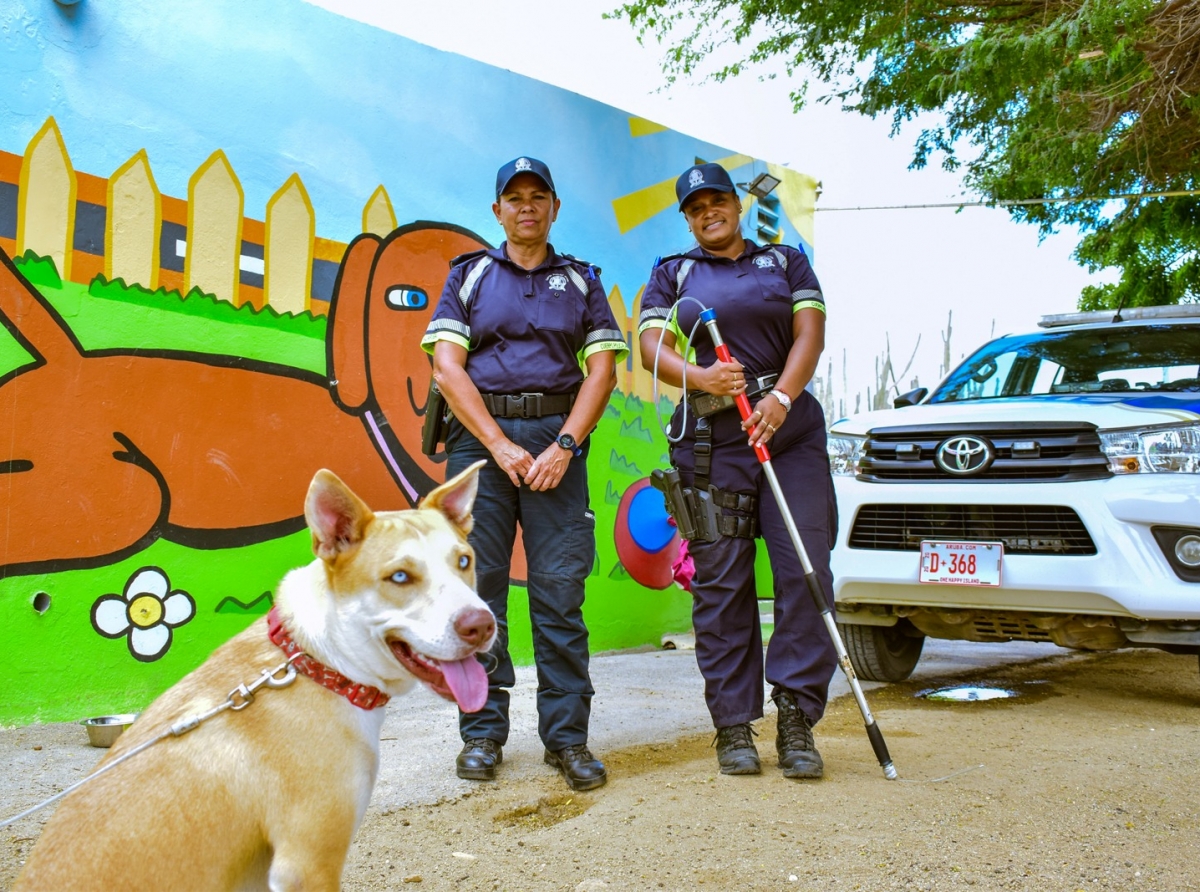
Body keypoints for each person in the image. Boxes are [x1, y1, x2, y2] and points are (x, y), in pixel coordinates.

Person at [421, 156, 627, 791]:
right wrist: (499, 446)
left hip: (557, 446)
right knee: (478, 596)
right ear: (498, 210)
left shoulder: (583, 281)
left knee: (560, 594)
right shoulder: (471, 275)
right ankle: (482, 734)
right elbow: (447, 370)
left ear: (554, 208)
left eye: (539, 196)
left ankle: (567, 740)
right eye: (515, 198)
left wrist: (565, 444)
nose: (526, 206)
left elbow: (602, 373)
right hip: (482, 445)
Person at [637, 162, 837, 779]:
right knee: (722, 583)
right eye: (694, 207)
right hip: (712, 443)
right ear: (688, 218)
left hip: (789, 434)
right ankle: (733, 725)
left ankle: (797, 715)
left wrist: (780, 399)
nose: (707, 213)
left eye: (716, 200)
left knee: (806, 569)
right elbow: (650, 346)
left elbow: (811, 333)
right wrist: (699, 377)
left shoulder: (785, 263)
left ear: (737, 205)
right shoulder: (675, 272)